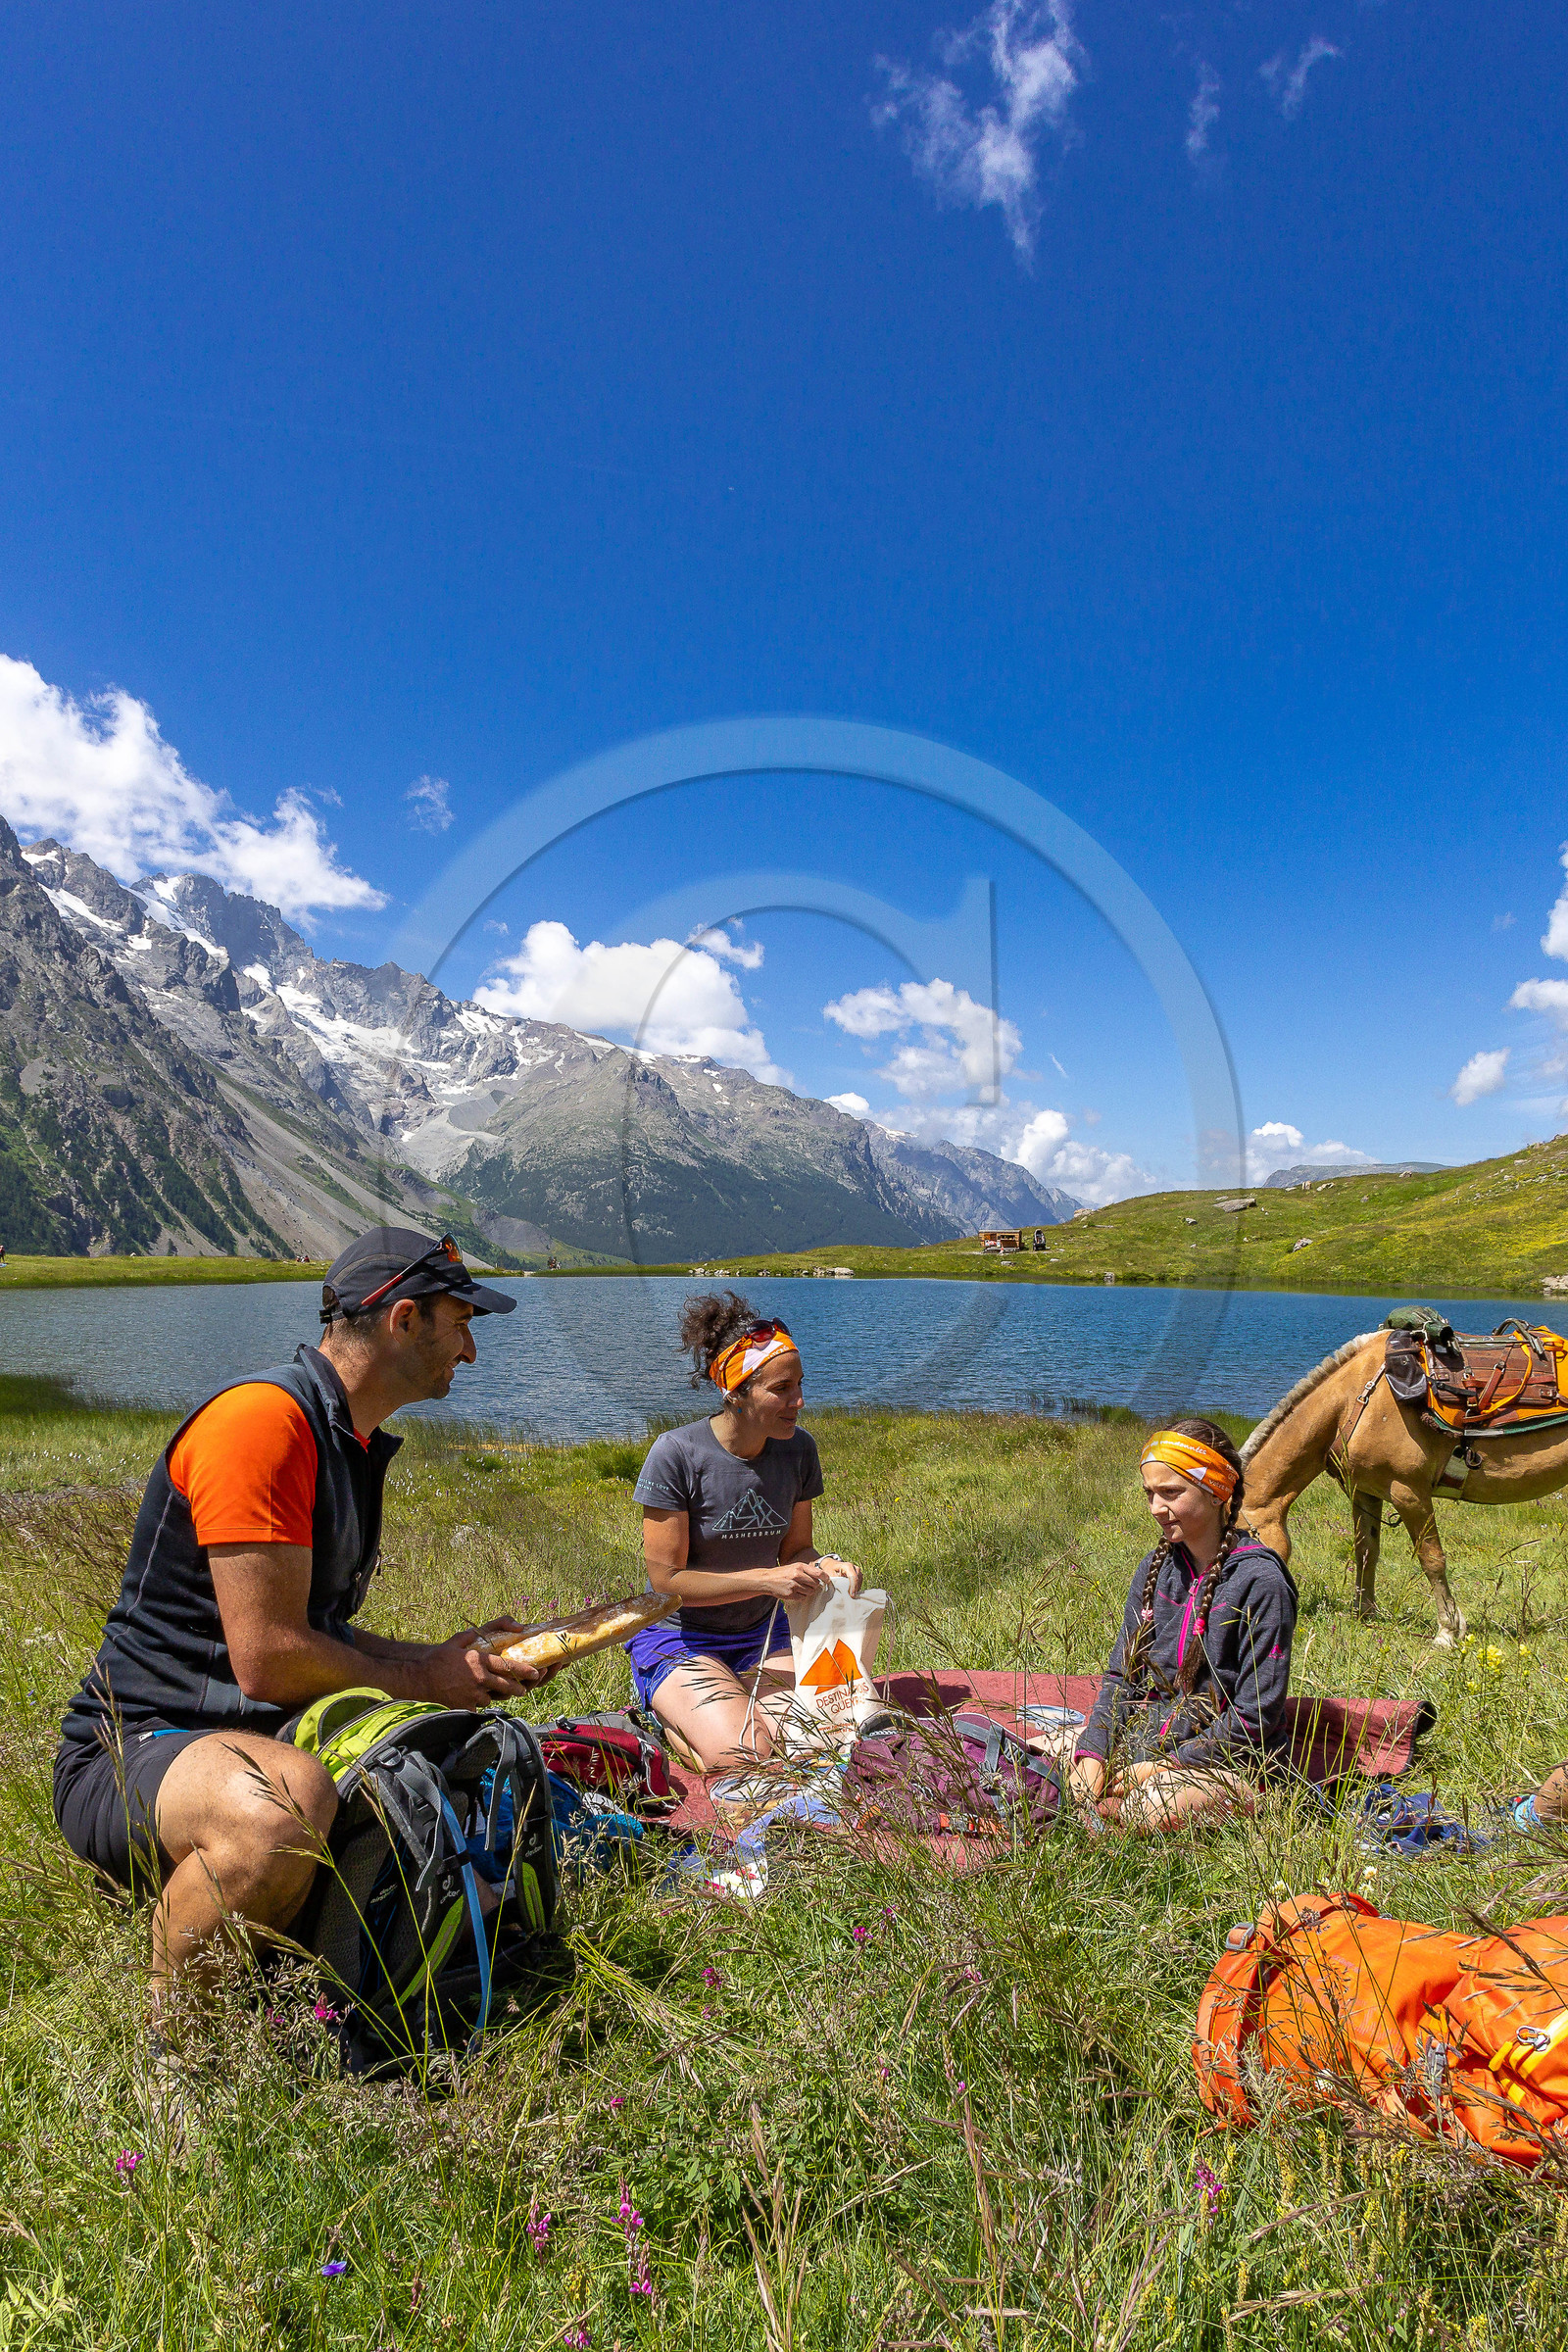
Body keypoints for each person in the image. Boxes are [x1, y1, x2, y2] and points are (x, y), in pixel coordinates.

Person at [53, 1227, 553, 2014]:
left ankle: (283, 1961)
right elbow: (269, 1659)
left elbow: (316, 1632)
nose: (471, 1352)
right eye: (461, 1324)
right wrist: (425, 1679)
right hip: (134, 1750)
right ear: (403, 1319)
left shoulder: (343, 1439)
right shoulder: (262, 1422)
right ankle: (177, 2055)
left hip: (249, 1737)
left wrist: (449, 1659)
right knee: (280, 1809)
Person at [625, 1291, 859, 1771]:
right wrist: (763, 1580)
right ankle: (667, 1724)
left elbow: (797, 1548)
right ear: (734, 1391)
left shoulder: (798, 1450)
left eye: (800, 1384)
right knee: (746, 1753)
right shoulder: (676, 1455)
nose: (800, 1400)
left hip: (768, 1632)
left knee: (833, 1736)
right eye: (781, 1389)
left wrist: (828, 1565)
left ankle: (722, 1713)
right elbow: (668, 1583)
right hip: (681, 1638)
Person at [1068, 1418, 1297, 1833]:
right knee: (1056, 1751)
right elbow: (1122, 1675)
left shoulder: (1261, 1583)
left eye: (1171, 1493)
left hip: (1236, 1761)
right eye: (1150, 1494)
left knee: (1149, 1807)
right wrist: (1094, 1753)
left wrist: (1163, 1766)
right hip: (1153, 1731)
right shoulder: (1157, 1568)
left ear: (1217, 1491)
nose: (1156, 1508)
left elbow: (1256, 1714)